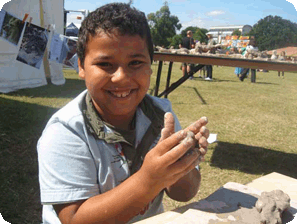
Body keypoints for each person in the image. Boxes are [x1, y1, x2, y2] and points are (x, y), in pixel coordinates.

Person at [37, 3, 209, 224]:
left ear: (150, 65)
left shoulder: (161, 116)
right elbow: (74, 219)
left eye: (135, 63)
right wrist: (149, 181)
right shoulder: (66, 131)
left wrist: (182, 162)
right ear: (81, 66)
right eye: (105, 64)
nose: (121, 77)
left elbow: (184, 194)